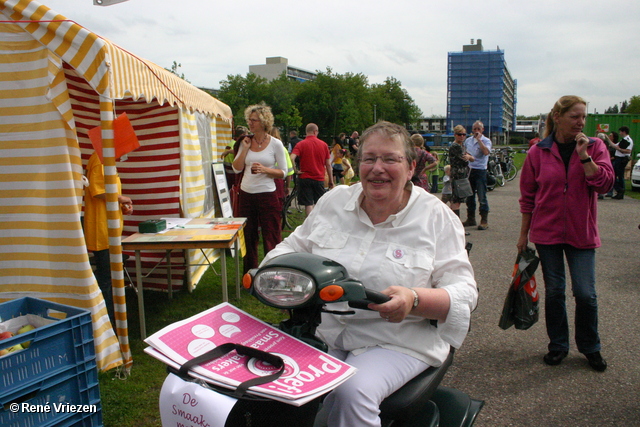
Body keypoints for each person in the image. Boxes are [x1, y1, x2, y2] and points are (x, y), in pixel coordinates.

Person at [263, 121, 478, 427]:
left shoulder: (436, 216)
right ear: (358, 163)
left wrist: (413, 300)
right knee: (273, 385)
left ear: (411, 166)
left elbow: (464, 292)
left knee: (352, 392)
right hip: (323, 332)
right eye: (369, 158)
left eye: (390, 159)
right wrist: (271, 276)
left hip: (397, 340)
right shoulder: (334, 201)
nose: (378, 168)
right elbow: (289, 249)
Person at [517, 95, 614, 372]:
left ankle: (590, 346)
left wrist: (584, 157)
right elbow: (528, 198)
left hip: (581, 233)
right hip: (546, 233)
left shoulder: (595, 147)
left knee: (585, 294)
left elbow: (605, 184)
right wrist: (523, 235)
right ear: (557, 117)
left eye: (584, 117)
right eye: (575, 116)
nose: (581, 122)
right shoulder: (538, 152)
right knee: (555, 291)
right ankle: (558, 345)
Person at [232, 104, 288, 273]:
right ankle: (249, 273)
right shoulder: (245, 141)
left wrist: (265, 170)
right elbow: (236, 168)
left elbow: (283, 172)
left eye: (254, 120)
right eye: (249, 119)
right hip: (246, 195)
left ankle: (273, 272)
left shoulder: (276, 144)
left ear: (264, 122)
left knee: (271, 235)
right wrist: (245, 149)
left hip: (267, 195)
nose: (250, 123)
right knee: (248, 236)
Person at [84, 151, 133, 324]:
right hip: (101, 231)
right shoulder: (99, 159)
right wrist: (121, 198)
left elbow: (107, 193)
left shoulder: (106, 159)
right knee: (106, 279)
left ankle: (110, 318)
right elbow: (97, 191)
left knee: (109, 276)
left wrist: (122, 205)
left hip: (109, 229)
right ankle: (106, 320)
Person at [290, 123, 334, 216]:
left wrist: (296, 170)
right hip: (319, 178)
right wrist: (331, 180)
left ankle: (309, 226)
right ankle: (319, 224)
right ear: (315, 132)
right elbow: (328, 164)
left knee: (308, 204)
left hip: (305, 177)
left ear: (307, 132)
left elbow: (291, 158)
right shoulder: (324, 145)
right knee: (320, 203)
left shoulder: (300, 144)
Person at [462, 121, 491, 230]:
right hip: (470, 169)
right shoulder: (468, 141)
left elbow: (486, 152)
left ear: (482, 130)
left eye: (478, 129)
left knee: (481, 195)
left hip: (480, 170)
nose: (476, 131)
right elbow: (464, 152)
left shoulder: (486, 141)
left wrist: (479, 140)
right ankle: (471, 218)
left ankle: (484, 220)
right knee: (470, 196)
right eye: (474, 129)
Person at [606, 126, 633, 199]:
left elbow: (628, 151)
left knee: (614, 175)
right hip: (619, 159)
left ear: (623, 131)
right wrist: (607, 139)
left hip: (621, 159)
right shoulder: (624, 140)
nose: (620, 133)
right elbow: (614, 145)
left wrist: (619, 149)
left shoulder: (627, 140)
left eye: (620, 131)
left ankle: (620, 190)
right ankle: (620, 192)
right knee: (618, 176)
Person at [221, 126, 247, 190]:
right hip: (234, 174)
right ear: (242, 135)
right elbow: (239, 152)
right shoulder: (237, 145)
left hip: (227, 172)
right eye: (246, 135)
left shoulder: (231, 143)